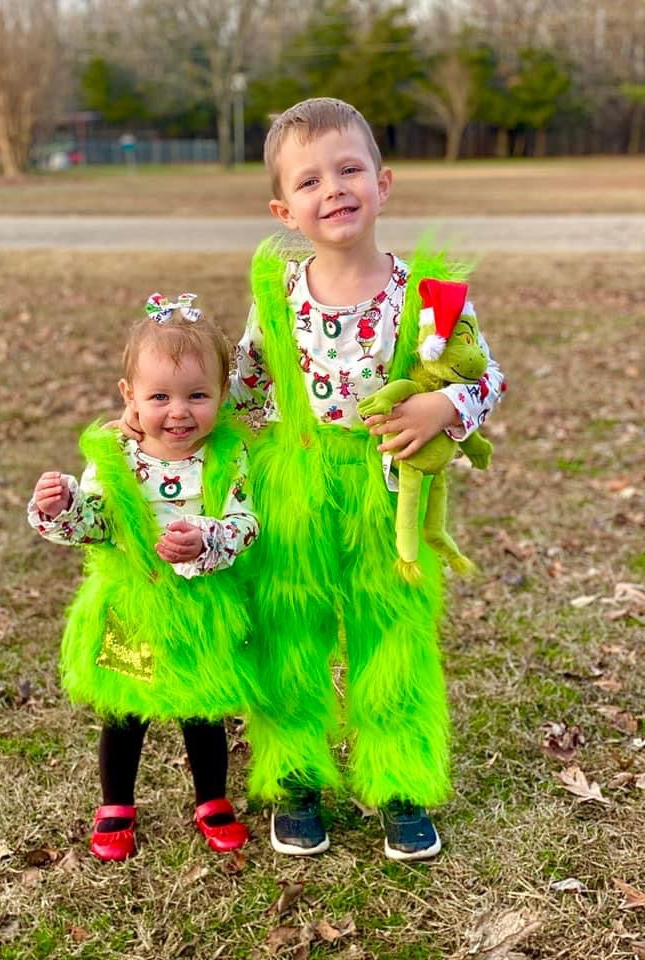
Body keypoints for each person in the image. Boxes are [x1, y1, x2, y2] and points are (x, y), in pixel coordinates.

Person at [228, 98, 506, 860]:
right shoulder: (277, 298)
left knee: (394, 635)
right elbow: (242, 392)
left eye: (350, 169)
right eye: (311, 180)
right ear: (286, 210)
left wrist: (442, 403)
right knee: (291, 630)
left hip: (386, 492)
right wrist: (169, 431)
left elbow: (488, 377)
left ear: (384, 183)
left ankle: (401, 782)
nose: (334, 188)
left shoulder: (428, 294)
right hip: (296, 480)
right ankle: (294, 777)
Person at [27, 293, 259, 861]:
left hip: (200, 603)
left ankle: (211, 797)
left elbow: (246, 521)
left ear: (223, 396)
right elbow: (100, 522)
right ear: (130, 396)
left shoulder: (227, 457)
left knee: (202, 708)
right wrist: (64, 508)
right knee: (125, 708)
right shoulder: (114, 460)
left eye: (197, 396)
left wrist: (207, 537)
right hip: (133, 602)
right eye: (160, 396)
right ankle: (116, 802)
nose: (178, 412)